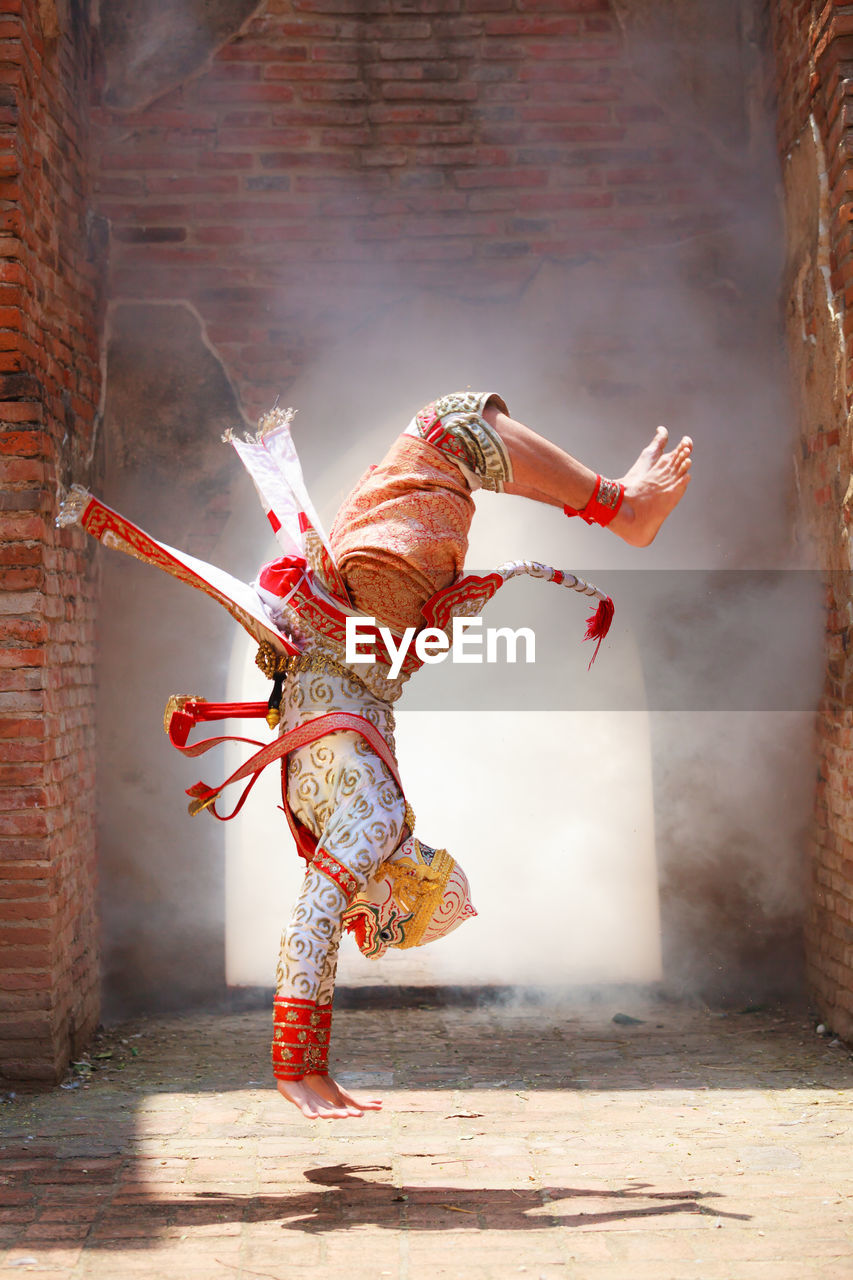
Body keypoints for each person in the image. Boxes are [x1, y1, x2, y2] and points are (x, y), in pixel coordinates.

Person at [57, 391, 692, 1123]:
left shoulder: (372, 822)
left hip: (357, 616)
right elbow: (320, 931)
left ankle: (622, 508)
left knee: (451, 426)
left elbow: (312, 929)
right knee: (449, 432)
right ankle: (621, 508)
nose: (435, 863)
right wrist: (314, 1072)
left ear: (394, 890)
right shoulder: (371, 820)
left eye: (429, 883)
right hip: (358, 623)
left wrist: (299, 1071)